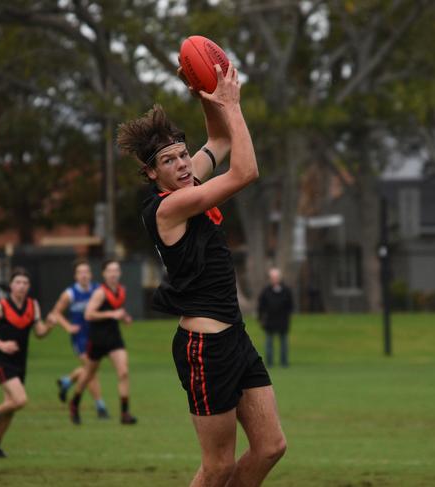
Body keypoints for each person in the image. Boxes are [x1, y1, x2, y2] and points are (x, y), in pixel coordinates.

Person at [117, 61, 286, 486]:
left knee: (270, 446)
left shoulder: (188, 184)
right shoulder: (169, 206)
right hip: (203, 347)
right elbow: (245, 171)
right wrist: (233, 104)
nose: (182, 164)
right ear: (153, 174)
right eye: (169, 161)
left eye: (182, 154)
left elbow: (220, 139)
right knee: (218, 466)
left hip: (234, 335)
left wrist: (208, 97)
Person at [0, 267, 52, 458]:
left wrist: (52, 323)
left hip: (20, 362)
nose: (21, 286)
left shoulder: (33, 306)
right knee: (20, 400)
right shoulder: (0, 307)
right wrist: (0, 344)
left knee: (10, 406)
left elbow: (40, 332)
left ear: (29, 287)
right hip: (2, 362)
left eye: (25, 283)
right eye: (18, 282)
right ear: (11, 285)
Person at [68, 259, 136, 425]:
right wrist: (111, 315)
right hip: (97, 339)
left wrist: (124, 317)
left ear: (119, 273)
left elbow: (116, 309)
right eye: (110, 271)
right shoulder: (100, 292)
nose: (113, 274)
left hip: (114, 337)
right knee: (88, 375)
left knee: (124, 372)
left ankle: (125, 414)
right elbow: (88, 314)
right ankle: (74, 403)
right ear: (104, 274)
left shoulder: (121, 290)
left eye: (116, 270)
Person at [48, 259, 110, 419]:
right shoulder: (70, 293)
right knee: (91, 371)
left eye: (86, 272)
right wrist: (68, 327)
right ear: (75, 276)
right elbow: (56, 312)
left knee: (90, 369)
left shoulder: (97, 289)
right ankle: (100, 406)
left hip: (96, 335)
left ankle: (67, 381)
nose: (84, 275)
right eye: (80, 272)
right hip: (80, 338)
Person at [258, 267, 294, 368]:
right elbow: (261, 306)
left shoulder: (286, 291)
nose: (274, 279)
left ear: (280, 278)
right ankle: (269, 362)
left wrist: (287, 315)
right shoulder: (266, 291)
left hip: (282, 320)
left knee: (284, 343)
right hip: (270, 320)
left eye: (276, 277)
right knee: (269, 342)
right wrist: (260, 318)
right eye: (272, 277)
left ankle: (284, 362)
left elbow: (290, 305)